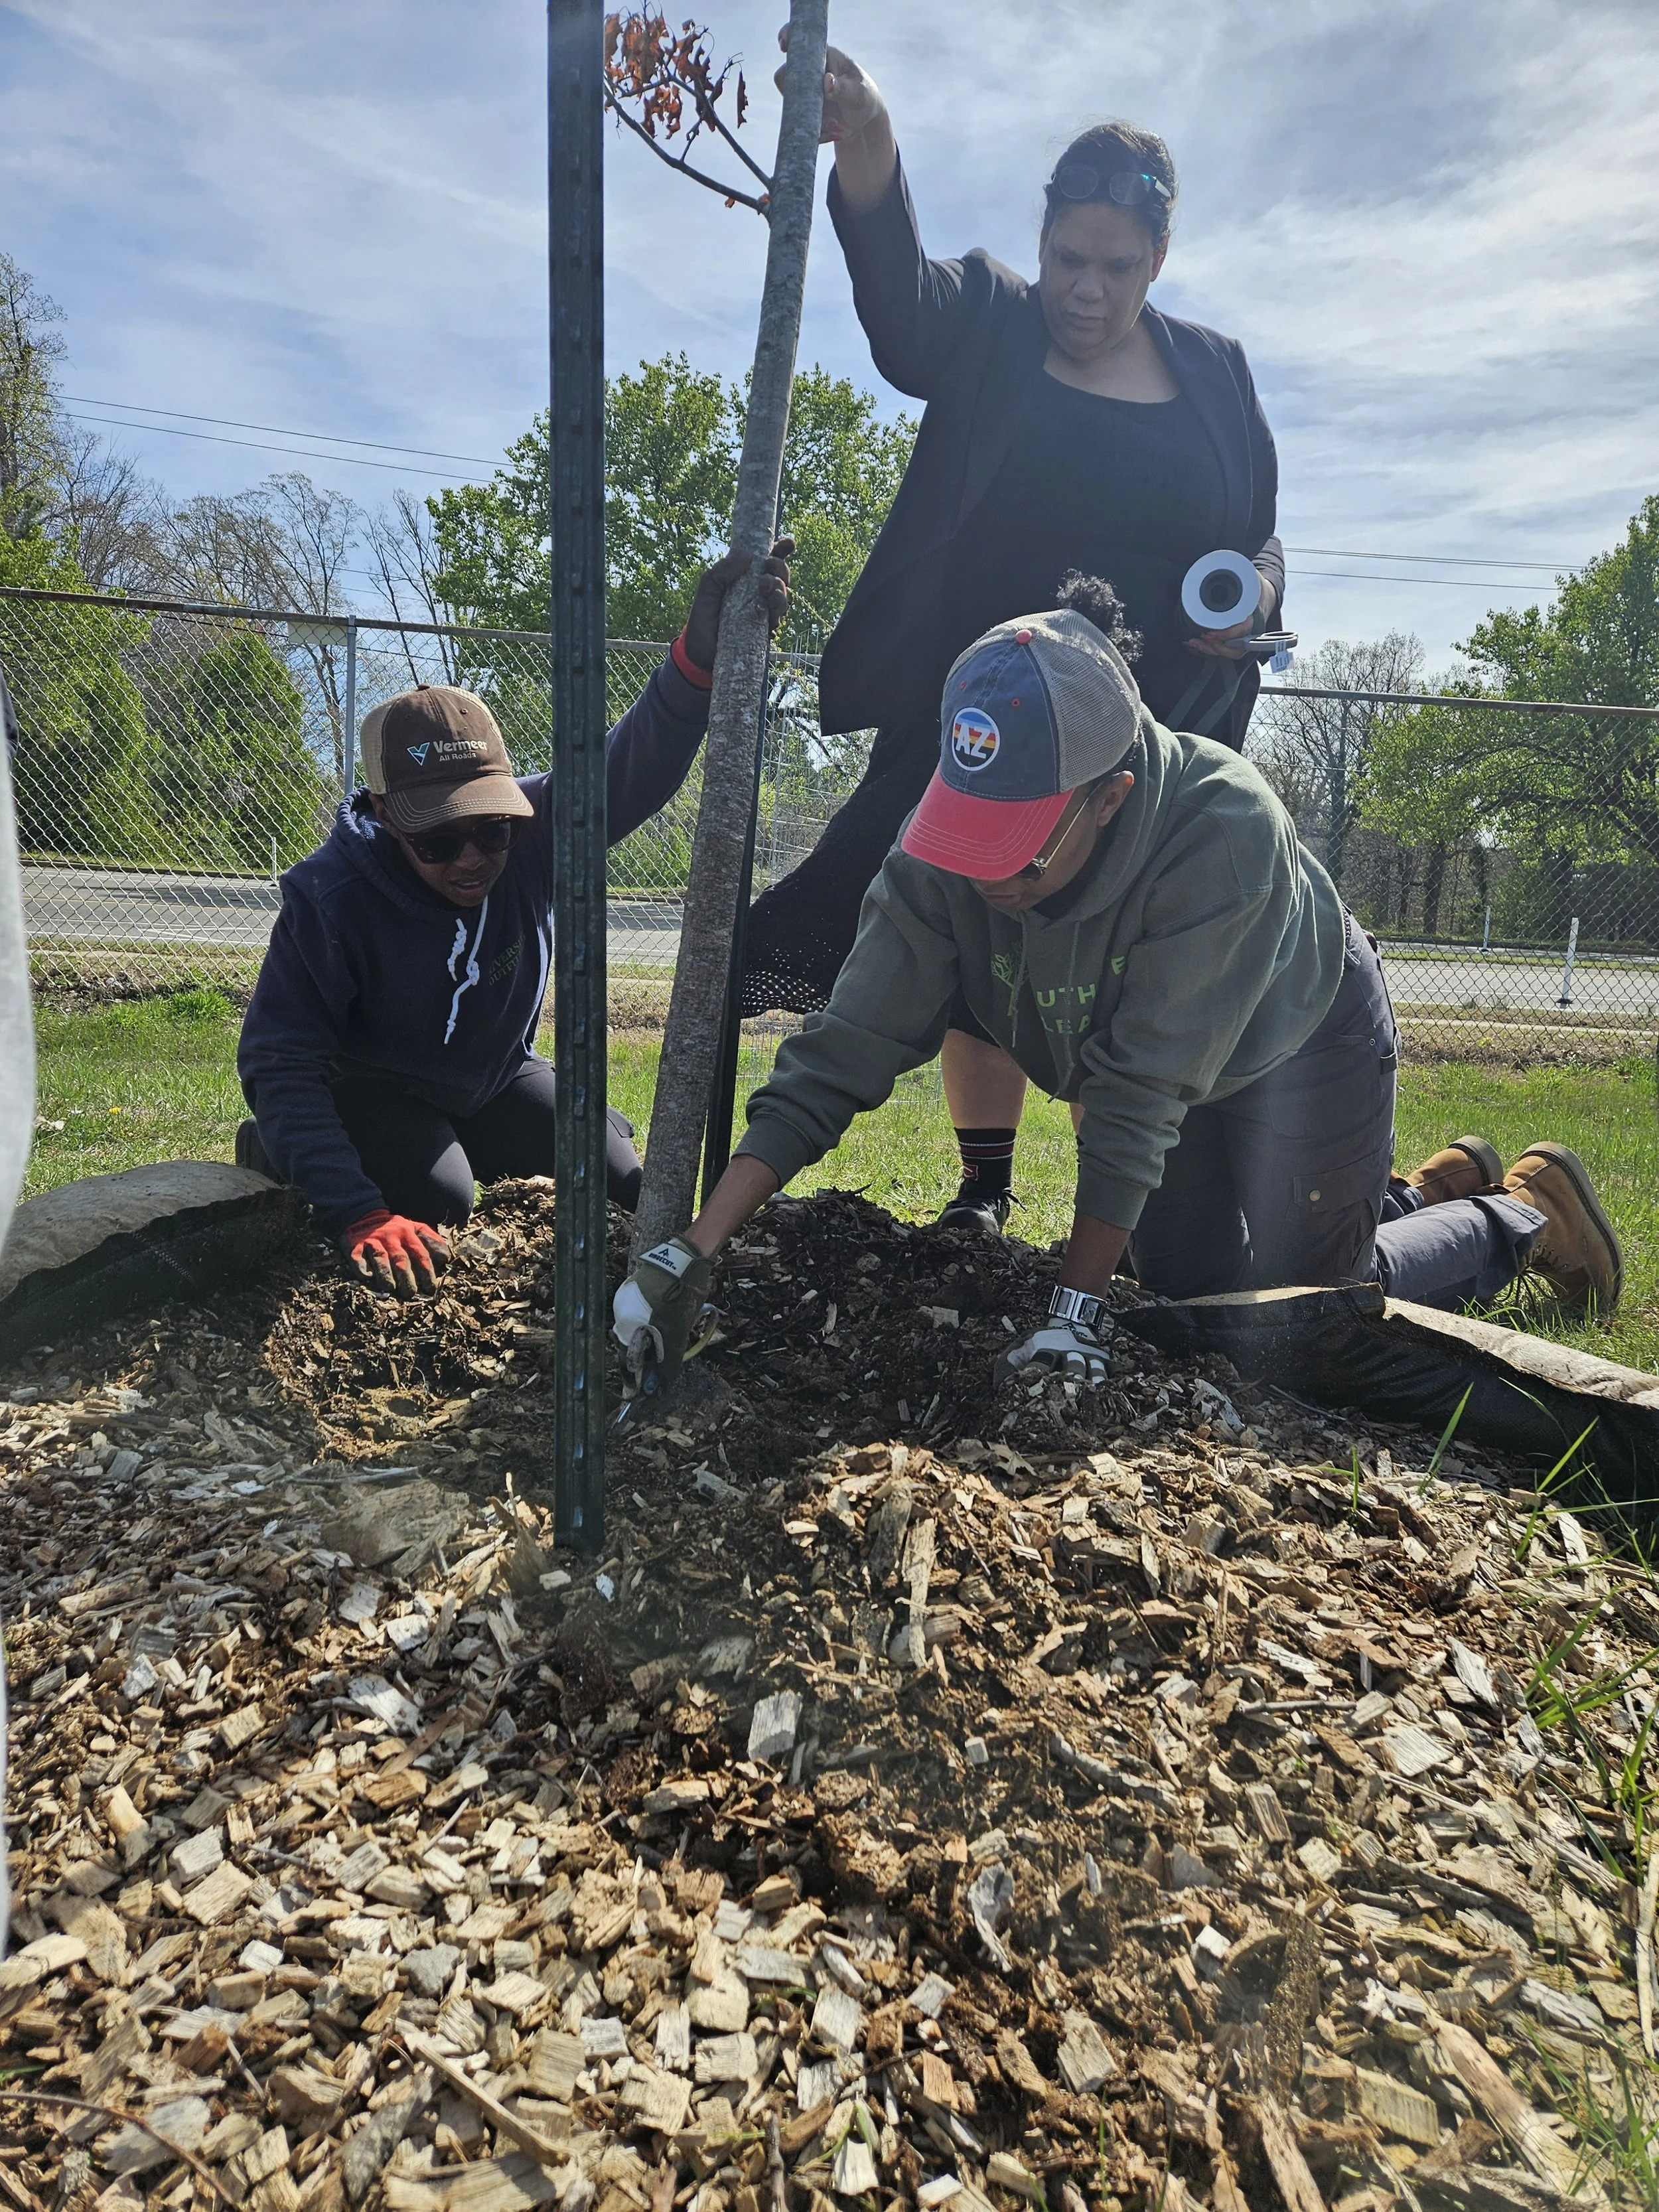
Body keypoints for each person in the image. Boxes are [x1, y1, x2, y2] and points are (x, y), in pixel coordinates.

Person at [614, 581, 1620, 1398]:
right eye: (968, 838)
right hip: (1178, 1066)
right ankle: (1421, 1189)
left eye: (1016, 857)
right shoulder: (947, 846)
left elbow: (1136, 1099)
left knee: (1306, 1307)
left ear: (1112, 795)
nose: (980, 878)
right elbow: (845, 1049)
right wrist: (696, 1249)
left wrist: (1069, 1318)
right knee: (1189, 1293)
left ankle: (1520, 1208)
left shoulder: (1222, 831)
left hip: (1299, 1040)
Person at [743, 34, 1286, 1236]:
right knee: (966, 932)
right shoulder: (993, 319)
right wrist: (872, 146)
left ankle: (1120, 1222)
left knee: (1134, 969)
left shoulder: (1217, 376)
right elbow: (902, 315)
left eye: (1116, 266)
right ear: (1040, 239)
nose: (1085, 289)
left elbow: (1260, 540)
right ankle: (983, 1192)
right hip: (984, 712)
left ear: (1159, 258)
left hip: (1155, 738)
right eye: (1066, 257)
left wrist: (1251, 595)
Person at [238, 543, 791, 1297]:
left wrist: (698, 657)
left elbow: (629, 765)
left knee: (623, 1184)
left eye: (490, 829)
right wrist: (356, 1210)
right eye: (437, 838)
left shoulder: (536, 833)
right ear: (382, 817)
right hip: (372, 1090)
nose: (471, 857)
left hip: (494, 1077)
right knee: (439, 1202)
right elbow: (279, 1061)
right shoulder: (330, 899)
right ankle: (281, 1153)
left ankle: (474, 1139)